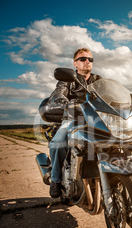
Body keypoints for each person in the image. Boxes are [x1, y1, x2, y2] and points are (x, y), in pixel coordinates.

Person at [48, 48, 102, 198]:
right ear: (75, 63)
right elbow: (58, 93)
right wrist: (61, 100)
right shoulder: (67, 80)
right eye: (83, 59)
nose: (87, 62)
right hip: (72, 119)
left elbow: (108, 94)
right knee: (58, 142)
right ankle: (56, 180)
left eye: (90, 59)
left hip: (95, 120)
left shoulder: (98, 79)